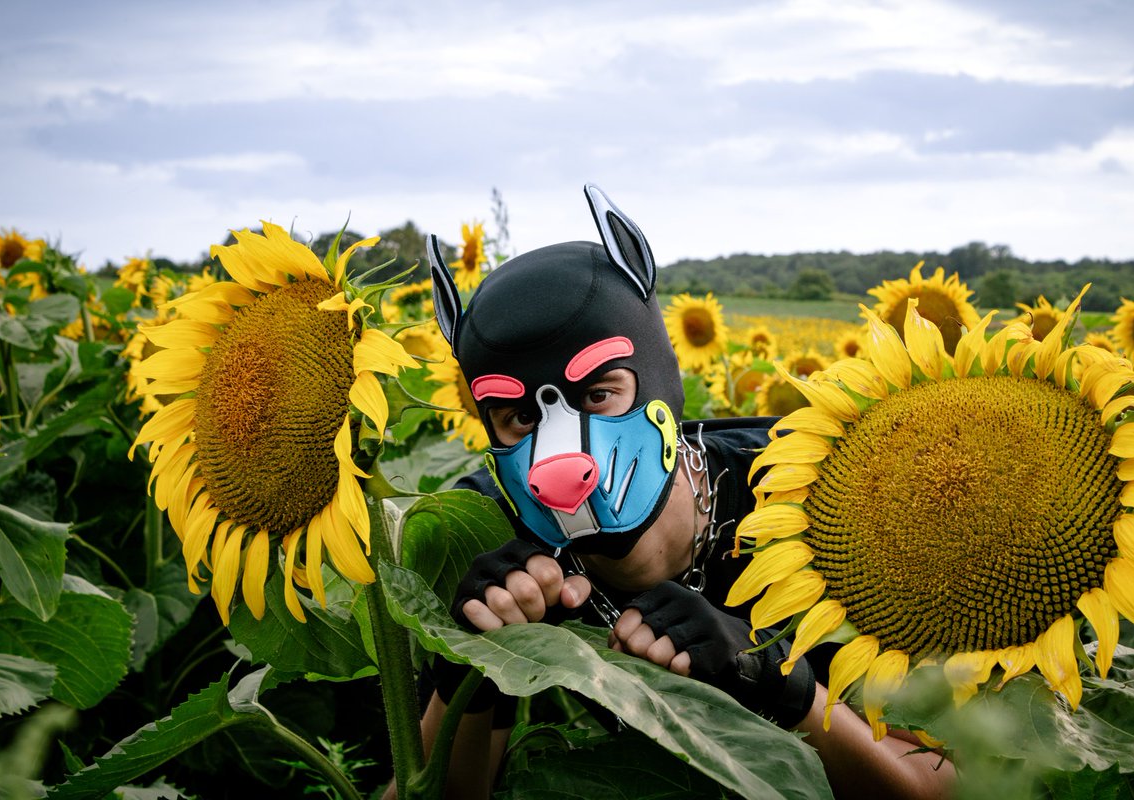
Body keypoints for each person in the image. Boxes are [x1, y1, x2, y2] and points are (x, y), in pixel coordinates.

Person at [409, 185, 955, 799]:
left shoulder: (808, 496)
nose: (561, 460)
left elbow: (941, 785)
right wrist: (466, 674)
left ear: (662, 388)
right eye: (521, 419)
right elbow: (435, 792)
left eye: (598, 395)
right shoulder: (491, 533)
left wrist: (777, 680)